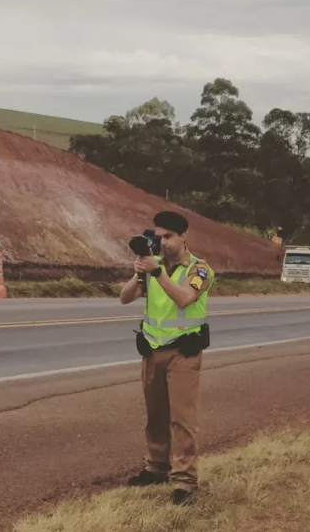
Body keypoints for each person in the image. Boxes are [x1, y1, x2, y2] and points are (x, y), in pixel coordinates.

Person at [120, 210, 214, 506]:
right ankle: (156, 467)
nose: (162, 242)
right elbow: (124, 298)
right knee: (156, 414)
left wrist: (156, 273)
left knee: (182, 419)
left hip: (182, 352)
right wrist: (139, 274)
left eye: (168, 237)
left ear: (184, 236)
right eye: (158, 237)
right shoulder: (153, 266)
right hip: (152, 349)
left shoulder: (199, 270)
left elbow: (185, 298)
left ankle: (185, 482)